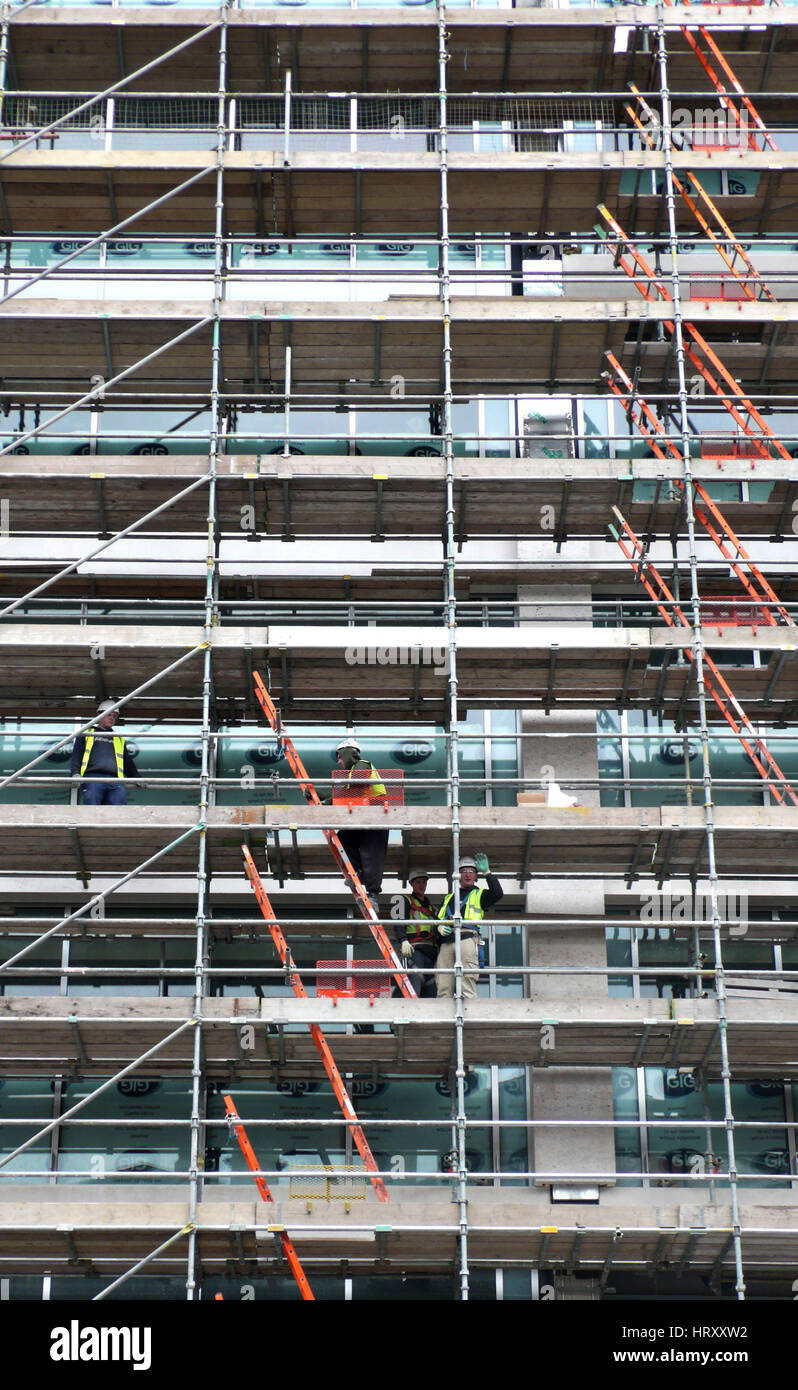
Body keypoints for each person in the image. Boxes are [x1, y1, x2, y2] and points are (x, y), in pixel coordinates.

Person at [333, 736, 389, 916]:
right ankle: (357, 871)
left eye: (340, 756)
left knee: (372, 853)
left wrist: (333, 796)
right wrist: (320, 797)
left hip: (377, 815)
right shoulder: (351, 773)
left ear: (349, 753)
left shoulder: (363, 765)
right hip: (363, 817)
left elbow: (356, 783)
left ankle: (373, 894)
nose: (339, 761)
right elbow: (343, 794)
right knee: (343, 837)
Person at [437, 853, 503, 1000]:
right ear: (458, 875)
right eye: (464, 871)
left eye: (471, 871)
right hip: (447, 941)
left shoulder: (480, 895)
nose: (467, 874)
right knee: (443, 984)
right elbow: (438, 919)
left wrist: (488, 873)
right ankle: (442, 1021)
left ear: (476, 876)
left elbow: (498, 893)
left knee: (467, 981)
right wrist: (439, 927)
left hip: (467, 938)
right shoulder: (448, 898)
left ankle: (469, 1017)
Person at [71, 700, 139, 805]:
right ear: (100, 715)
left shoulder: (118, 738)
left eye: (114, 716)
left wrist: (137, 778)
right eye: (109, 714)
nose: (112, 718)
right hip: (93, 778)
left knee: (119, 813)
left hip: (116, 780)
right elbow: (77, 755)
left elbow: (128, 763)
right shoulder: (86, 733)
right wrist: (75, 773)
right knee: (92, 811)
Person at [393, 868, 439, 998]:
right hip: (415, 951)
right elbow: (398, 923)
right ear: (411, 884)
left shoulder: (431, 907)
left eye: (424, 882)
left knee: (431, 992)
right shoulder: (404, 901)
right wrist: (403, 940)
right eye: (418, 882)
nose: (421, 885)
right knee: (414, 989)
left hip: (431, 953)